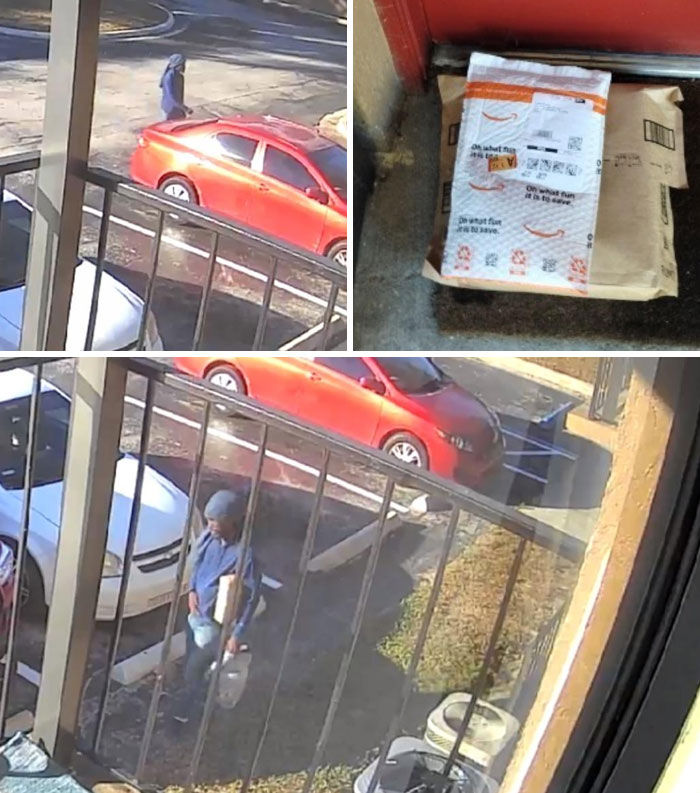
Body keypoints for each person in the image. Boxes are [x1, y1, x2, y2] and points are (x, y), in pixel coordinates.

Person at [174, 489, 262, 724]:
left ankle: (184, 715)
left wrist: (237, 634)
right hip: (195, 617)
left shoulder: (245, 554)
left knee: (195, 670)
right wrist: (192, 589)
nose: (211, 525)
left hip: (215, 625)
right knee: (194, 664)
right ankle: (198, 698)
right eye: (210, 519)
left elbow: (252, 598)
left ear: (232, 521)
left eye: (217, 521)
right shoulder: (207, 538)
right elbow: (197, 563)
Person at [160, 54, 192, 121]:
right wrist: (185, 108)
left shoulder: (179, 76)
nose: (184, 67)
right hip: (170, 109)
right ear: (176, 65)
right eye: (182, 64)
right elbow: (171, 97)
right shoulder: (169, 77)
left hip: (177, 109)